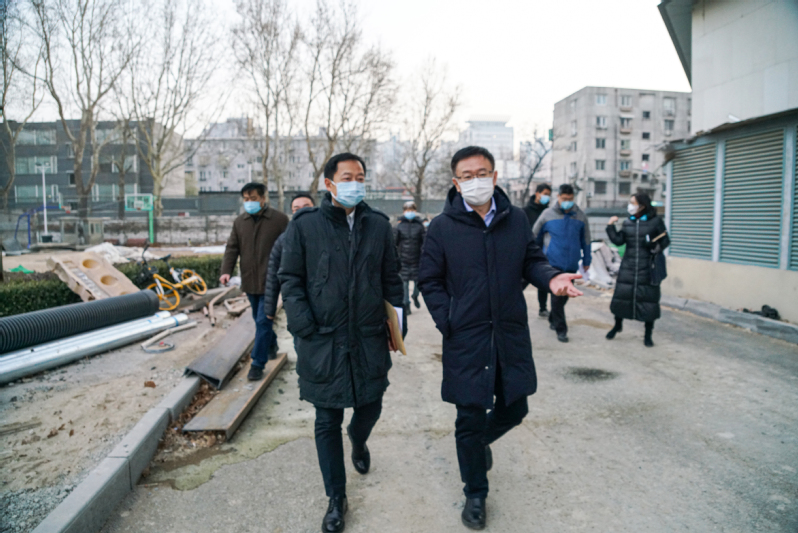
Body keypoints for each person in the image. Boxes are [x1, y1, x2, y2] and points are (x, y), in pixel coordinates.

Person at [418, 146, 583, 530]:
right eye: (467, 175)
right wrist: (448, 320)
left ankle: (478, 445)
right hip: (466, 338)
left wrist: (551, 278)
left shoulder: (516, 219)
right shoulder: (442, 227)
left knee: (515, 408)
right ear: (456, 182)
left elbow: (532, 261)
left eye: (482, 173)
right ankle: (475, 493)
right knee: (469, 418)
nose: (475, 180)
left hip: (509, 333)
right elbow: (429, 279)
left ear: (494, 177)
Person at [278, 153, 404, 533]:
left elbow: (391, 278)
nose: (355, 183)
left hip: (367, 337)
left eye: (360, 176)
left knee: (370, 406)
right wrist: (303, 326)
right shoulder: (305, 226)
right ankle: (336, 498)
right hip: (323, 340)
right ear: (329, 183)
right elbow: (290, 278)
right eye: (347, 177)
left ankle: (358, 440)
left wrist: (398, 324)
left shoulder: (378, 225)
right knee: (326, 419)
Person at [220, 182, 289, 380]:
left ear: (263, 198)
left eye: (253, 198)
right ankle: (271, 345)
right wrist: (226, 271)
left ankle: (257, 364)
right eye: (246, 199)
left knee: (263, 320)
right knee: (261, 322)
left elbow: (290, 247)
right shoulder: (240, 222)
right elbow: (232, 248)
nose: (249, 202)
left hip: (271, 280)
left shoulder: (279, 220)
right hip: (249, 279)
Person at [605, 192, 670, 347]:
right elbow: (619, 241)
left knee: (649, 302)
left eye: (633, 203)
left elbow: (665, 241)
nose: (630, 206)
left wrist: (654, 246)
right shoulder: (628, 222)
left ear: (642, 205)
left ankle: (648, 335)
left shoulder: (655, 222)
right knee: (622, 298)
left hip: (647, 268)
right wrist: (610, 226)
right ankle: (617, 326)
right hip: (628, 267)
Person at [532, 183, 591, 343]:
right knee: (557, 297)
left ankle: (553, 317)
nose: (567, 201)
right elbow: (534, 236)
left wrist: (587, 260)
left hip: (571, 264)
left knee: (564, 296)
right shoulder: (547, 214)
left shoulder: (580, 216)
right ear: (558, 197)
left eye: (570, 199)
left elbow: (586, 240)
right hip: (552, 262)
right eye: (564, 198)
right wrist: (536, 257)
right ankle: (561, 329)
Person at [261, 193, 316, 351]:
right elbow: (273, 276)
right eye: (296, 209)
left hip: (326, 306)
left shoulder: (329, 236)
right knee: (302, 348)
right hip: (296, 305)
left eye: (306, 207)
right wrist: (270, 309)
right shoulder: (284, 240)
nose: (301, 212)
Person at [523, 183, 552, 318]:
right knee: (520, 282)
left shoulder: (549, 213)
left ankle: (543, 308)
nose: (547, 197)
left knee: (542, 281)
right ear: (537, 194)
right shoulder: (524, 212)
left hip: (543, 252)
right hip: (525, 252)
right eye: (545, 194)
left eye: (549, 195)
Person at [393, 201, 426, 315]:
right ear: (404, 211)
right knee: (405, 284)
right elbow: (395, 243)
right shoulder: (399, 226)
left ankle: (415, 296)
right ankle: (406, 304)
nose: (409, 212)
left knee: (418, 284)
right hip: (403, 260)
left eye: (411, 210)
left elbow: (424, 242)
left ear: (415, 211)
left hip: (417, 260)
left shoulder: (420, 226)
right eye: (407, 210)